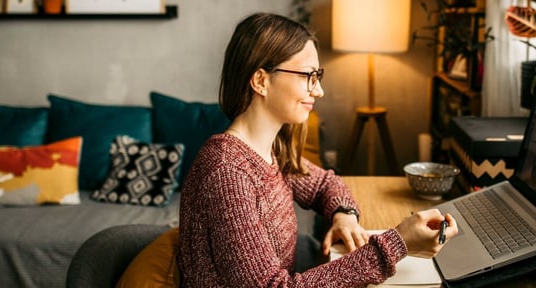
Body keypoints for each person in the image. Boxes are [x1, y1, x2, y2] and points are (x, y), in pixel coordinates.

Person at [178, 13, 459, 287]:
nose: (319, 90)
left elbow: (325, 184)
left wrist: (344, 215)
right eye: (308, 76)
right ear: (261, 81)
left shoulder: (270, 150)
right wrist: (398, 243)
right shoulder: (227, 172)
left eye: (318, 75)